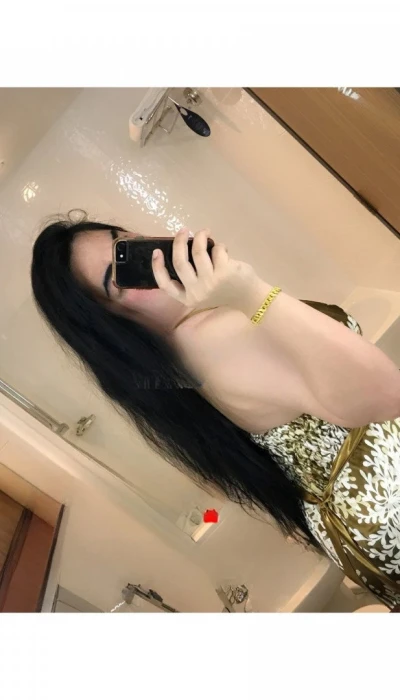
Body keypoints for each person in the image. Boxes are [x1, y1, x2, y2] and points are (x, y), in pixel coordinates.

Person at [31, 215, 400, 609]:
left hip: (360, 514)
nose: (151, 259)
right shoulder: (211, 337)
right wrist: (252, 293)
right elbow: (384, 395)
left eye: (125, 243)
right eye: (120, 277)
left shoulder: (180, 361)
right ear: (112, 323)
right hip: (383, 491)